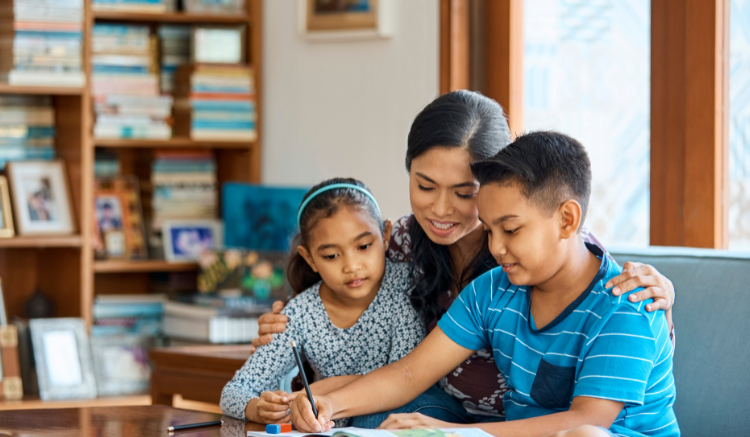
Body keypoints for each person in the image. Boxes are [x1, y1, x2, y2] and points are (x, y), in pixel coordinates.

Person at [253, 91, 676, 424]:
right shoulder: (398, 245)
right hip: (442, 411)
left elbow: (614, 312)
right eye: (425, 185)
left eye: (464, 193)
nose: (440, 209)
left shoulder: (558, 256)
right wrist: (293, 329)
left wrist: (663, 294)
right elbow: (399, 368)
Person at [220, 178, 427, 424]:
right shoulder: (300, 312)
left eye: (363, 246)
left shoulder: (405, 286)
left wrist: (306, 395)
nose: (351, 266)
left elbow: (402, 377)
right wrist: (257, 408)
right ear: (310, 259)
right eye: (331, 255)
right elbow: (233, 392)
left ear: (385, 235)